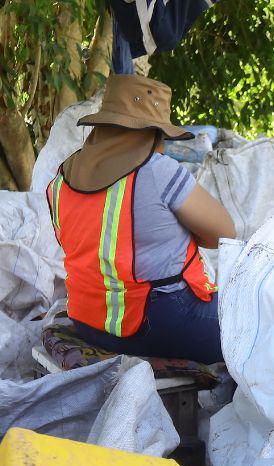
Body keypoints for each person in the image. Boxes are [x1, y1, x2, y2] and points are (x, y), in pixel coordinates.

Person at [46, 75, 235, 365]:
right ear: (153, 134)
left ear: (102, 126)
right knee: (260, 324)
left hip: (88, 321)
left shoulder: (61, 178)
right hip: (156, 322)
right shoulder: (157, 171)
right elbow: (224, 234)